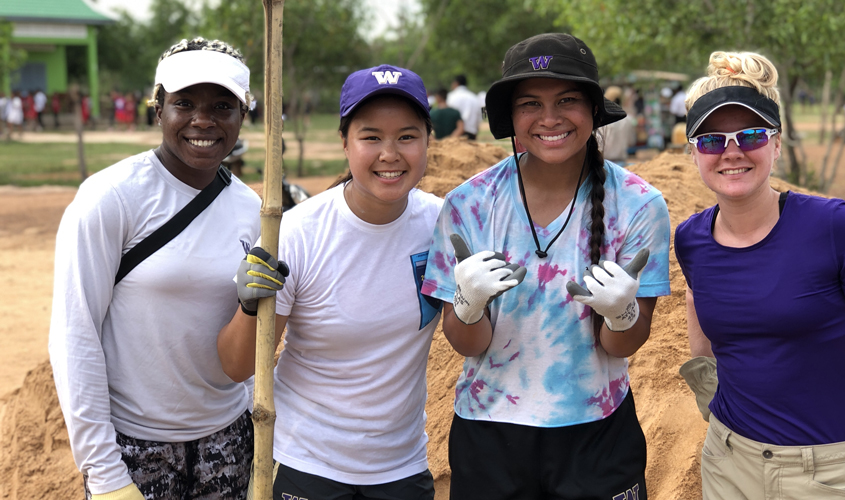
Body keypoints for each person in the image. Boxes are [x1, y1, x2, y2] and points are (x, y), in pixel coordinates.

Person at [422, 33, 672, 499]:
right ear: (511, 117)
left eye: (569, 99)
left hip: (598, 432)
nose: (550, 118)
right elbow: (464, 342)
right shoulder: (469, 204)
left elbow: (622, 345)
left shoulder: (638, 204)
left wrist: (623, 313)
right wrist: (468, 304)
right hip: (489, 432)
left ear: (595, 110)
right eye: (530, 103)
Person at [674, 51, 845, 500]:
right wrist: (706, 381)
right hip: (729, 462)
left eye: (750, 135)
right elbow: (699, 302)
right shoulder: (690, 239)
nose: (731, 152)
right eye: (712, 141)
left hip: (827, 472)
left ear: (775, 144)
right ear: (693, 152)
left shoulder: (833, 226)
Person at [49, 37, 260, 500]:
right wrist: (103, 470)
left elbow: (248, 344)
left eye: (222, 106)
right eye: (184, 103)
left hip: (227, 442)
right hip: (134, 449)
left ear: (243, 115)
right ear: (158, 106)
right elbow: (74, 334)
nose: (203, 120)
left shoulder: (252, 208)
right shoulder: (111, 198)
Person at [217, 64, 441, 500]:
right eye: (371, 137)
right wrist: (249, 306)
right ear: (344, 142)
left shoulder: (441, 223)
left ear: (428, 141)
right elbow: (238, 367)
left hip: (402, 464)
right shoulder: (297, 233)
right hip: (307, 462)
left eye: (407, 137)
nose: (390, 154)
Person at [599, 85, 631, 164]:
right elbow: (631, 141)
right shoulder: (628, 120)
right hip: (622, 162)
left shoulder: (602, 121)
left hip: (605, 162)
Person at [446, 74, 481, 140]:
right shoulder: (474, 98)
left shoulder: (450, 97)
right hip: (471, 134)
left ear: (456, 83)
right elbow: (478, 119)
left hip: (454, 135)